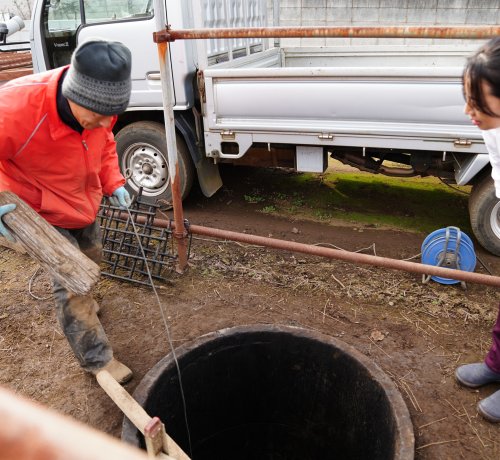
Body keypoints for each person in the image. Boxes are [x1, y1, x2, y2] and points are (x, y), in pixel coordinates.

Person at [0, 38, 134, 384]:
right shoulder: (14, 108)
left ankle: (85, 308)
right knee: (72, 282)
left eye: (111, 116)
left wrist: (113, 181)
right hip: (39, 209)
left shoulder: (100, 108)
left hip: (82, 202)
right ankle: (98, 360)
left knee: (92, 260)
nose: (107, 123)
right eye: (98, 116)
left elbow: (104, 145)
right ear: (74, 95)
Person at [455, 37, 500, 422]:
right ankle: (497, 365)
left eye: (477, 101)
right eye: (467, 97)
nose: (468, 110)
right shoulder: (493, 126)